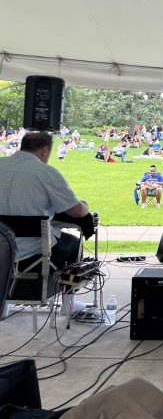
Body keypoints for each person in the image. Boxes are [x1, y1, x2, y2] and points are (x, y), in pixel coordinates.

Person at [0, 132, 90, 315]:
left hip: (1, 245)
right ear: (45, 150)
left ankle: (4, 301)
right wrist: (85, 207)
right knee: (74, 244)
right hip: (33, 249)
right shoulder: (46, 172)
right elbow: (76, 211)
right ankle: (68, 302)